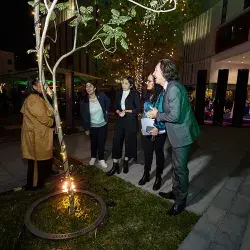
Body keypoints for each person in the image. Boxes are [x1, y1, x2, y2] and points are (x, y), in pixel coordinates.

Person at [147, 59, 200, 216]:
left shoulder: (173, 88)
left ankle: (180, 202)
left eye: (156, 70)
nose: (154, 73)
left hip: (182, 136)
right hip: (177, 134)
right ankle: (176, 193)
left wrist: (158, 114)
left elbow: (175, 116)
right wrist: (159, 113)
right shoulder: (168, 87)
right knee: (177, 168)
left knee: (180, 169)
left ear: (164, 72)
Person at [21, 78, 54, 191]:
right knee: (36, 162)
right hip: (37, 136)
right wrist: (52, 123)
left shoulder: (36, 98)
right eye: (41, 84)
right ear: (34, 86)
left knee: (37, 161)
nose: (44, 86)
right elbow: (43, 117)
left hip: (39, 134)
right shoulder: (33, 99)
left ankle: (36, 184)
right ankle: (35, 185)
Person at [107, 76, 141, 176]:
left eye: (126, 83)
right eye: (122, 83)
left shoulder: (135, 94)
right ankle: (115, 164)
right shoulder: (118, 93)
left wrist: (126, 111)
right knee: (116, 141)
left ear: (131, 85)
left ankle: (126, 162)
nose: (123, 85)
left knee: (128, 142)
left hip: (130, 121)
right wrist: (118, 111)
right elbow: (115, 106)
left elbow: (138, 109)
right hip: (120, 120)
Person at [139, 73, 166, 190]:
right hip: (147, 128)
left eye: (150, 81)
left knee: (159, 153)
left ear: (156, 83)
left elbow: (164, 114)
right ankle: (146, 174)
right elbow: (146, 112)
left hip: (159, 129)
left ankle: (158, 177)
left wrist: (157, 127)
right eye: (147, 81)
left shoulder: (163, 96)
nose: (147, 83)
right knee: (147, 152)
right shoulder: (147, 95)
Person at [80, 81, 110, 168]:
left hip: (103, 124)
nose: (88, 88)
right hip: (92, 126)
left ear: (95, 88)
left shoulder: (101, 95)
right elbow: (83, 116)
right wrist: (86, 128)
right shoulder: (84, 101)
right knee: (93, 142)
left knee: (101, 142)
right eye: (87, 86)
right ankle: (93, 157)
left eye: (90, 86)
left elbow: (108, 101)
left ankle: (101, 159)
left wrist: (106, 111)